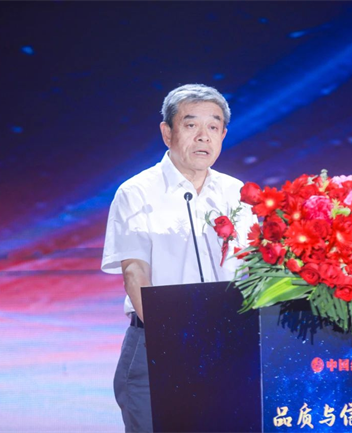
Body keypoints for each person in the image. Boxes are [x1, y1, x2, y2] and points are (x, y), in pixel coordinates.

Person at [101, 84, 253, 433]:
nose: (203, 136)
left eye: (213, 127)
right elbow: (135, 272)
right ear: (167, 132)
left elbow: (253, 270)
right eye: (191, 125)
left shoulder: (237, 193)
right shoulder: (137, 192)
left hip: (228, 344)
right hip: (157, 344)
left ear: (223, 135)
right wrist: (173, 338)